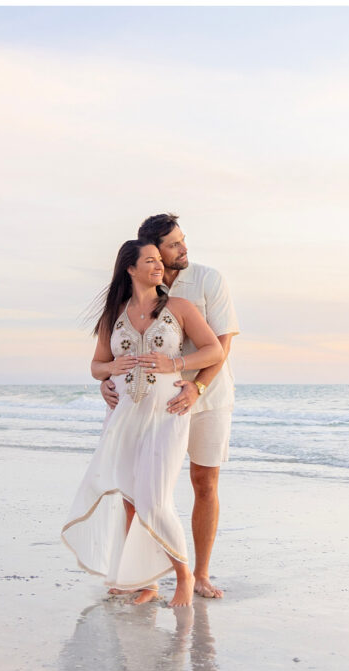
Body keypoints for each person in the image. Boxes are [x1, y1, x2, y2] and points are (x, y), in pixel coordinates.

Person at [62, 239, 223, 608]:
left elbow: (213, 349)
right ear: (130, 269)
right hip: (123, 417)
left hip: (167, 413)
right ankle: (144, 581)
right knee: (131, 498)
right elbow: (96, 366)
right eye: (149, 261)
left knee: (155, 498)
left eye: (158, 261)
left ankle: (184, 576)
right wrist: (110, 371)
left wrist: (178, 365)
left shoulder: (179, 308)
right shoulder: (112, 316)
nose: (157, 266)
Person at [101, 213, 238, 599]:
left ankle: (201, 573)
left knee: (203, 482)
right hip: (154, 402)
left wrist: (197, 387)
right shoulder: (137, 288)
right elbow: (119, 346)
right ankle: (144, 577)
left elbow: (222, 345)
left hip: (208, 394)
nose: (183, 249)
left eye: (182, 241)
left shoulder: (208, 280)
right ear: (152, 251)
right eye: (174, 244)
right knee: (140, 489)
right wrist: (108, 383)